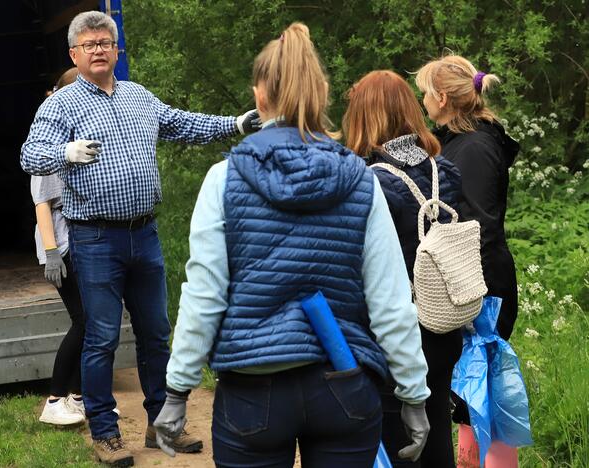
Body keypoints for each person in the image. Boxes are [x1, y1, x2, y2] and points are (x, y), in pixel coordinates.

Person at [153, 23, 430, 468]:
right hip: (343, 384)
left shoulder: (224, 180)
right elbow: (391, 299)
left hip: (253, 392)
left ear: (259, 98)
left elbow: (204, 295)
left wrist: (177, 389)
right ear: (321, 94)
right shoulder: (362, 179)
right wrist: (413, 392)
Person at [20, 11, 260, 467]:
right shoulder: (60, 105)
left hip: (143, 234)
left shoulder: (139, 97)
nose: (97, 50)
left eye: (104, 43)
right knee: (102, 338)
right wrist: (64, 152)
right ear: (74, 53)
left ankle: (161, 424)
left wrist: (236, 123)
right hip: (94, 240)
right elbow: (30, 155)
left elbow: (184, 124)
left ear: (116, 50)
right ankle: (106, 433)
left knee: (156, 334)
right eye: (88, 44)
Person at [343, 70, 463, 467]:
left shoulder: (367, 182)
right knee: (437, 432)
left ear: (364, 117)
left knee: (396, 442)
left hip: (393, 335)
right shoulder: (444, 171)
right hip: (444, 326)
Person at [416, 55, 521, 465]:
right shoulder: (466, 141)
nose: (423, 100)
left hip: (480, 289)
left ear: (442, 97)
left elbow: (479, 226)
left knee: (480, 400)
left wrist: (462, 291)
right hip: (473, 283)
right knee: (469, 398)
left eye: (426, 92)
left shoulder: (474, 147)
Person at [32, 67, 87, 427]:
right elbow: (42, 203)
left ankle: (78, 398)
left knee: (93, 322)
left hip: (81, 240)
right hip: (61, 244)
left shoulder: (76, 137)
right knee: (84, 320)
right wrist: (53, 253)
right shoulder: (48, 143)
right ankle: (55, 400)